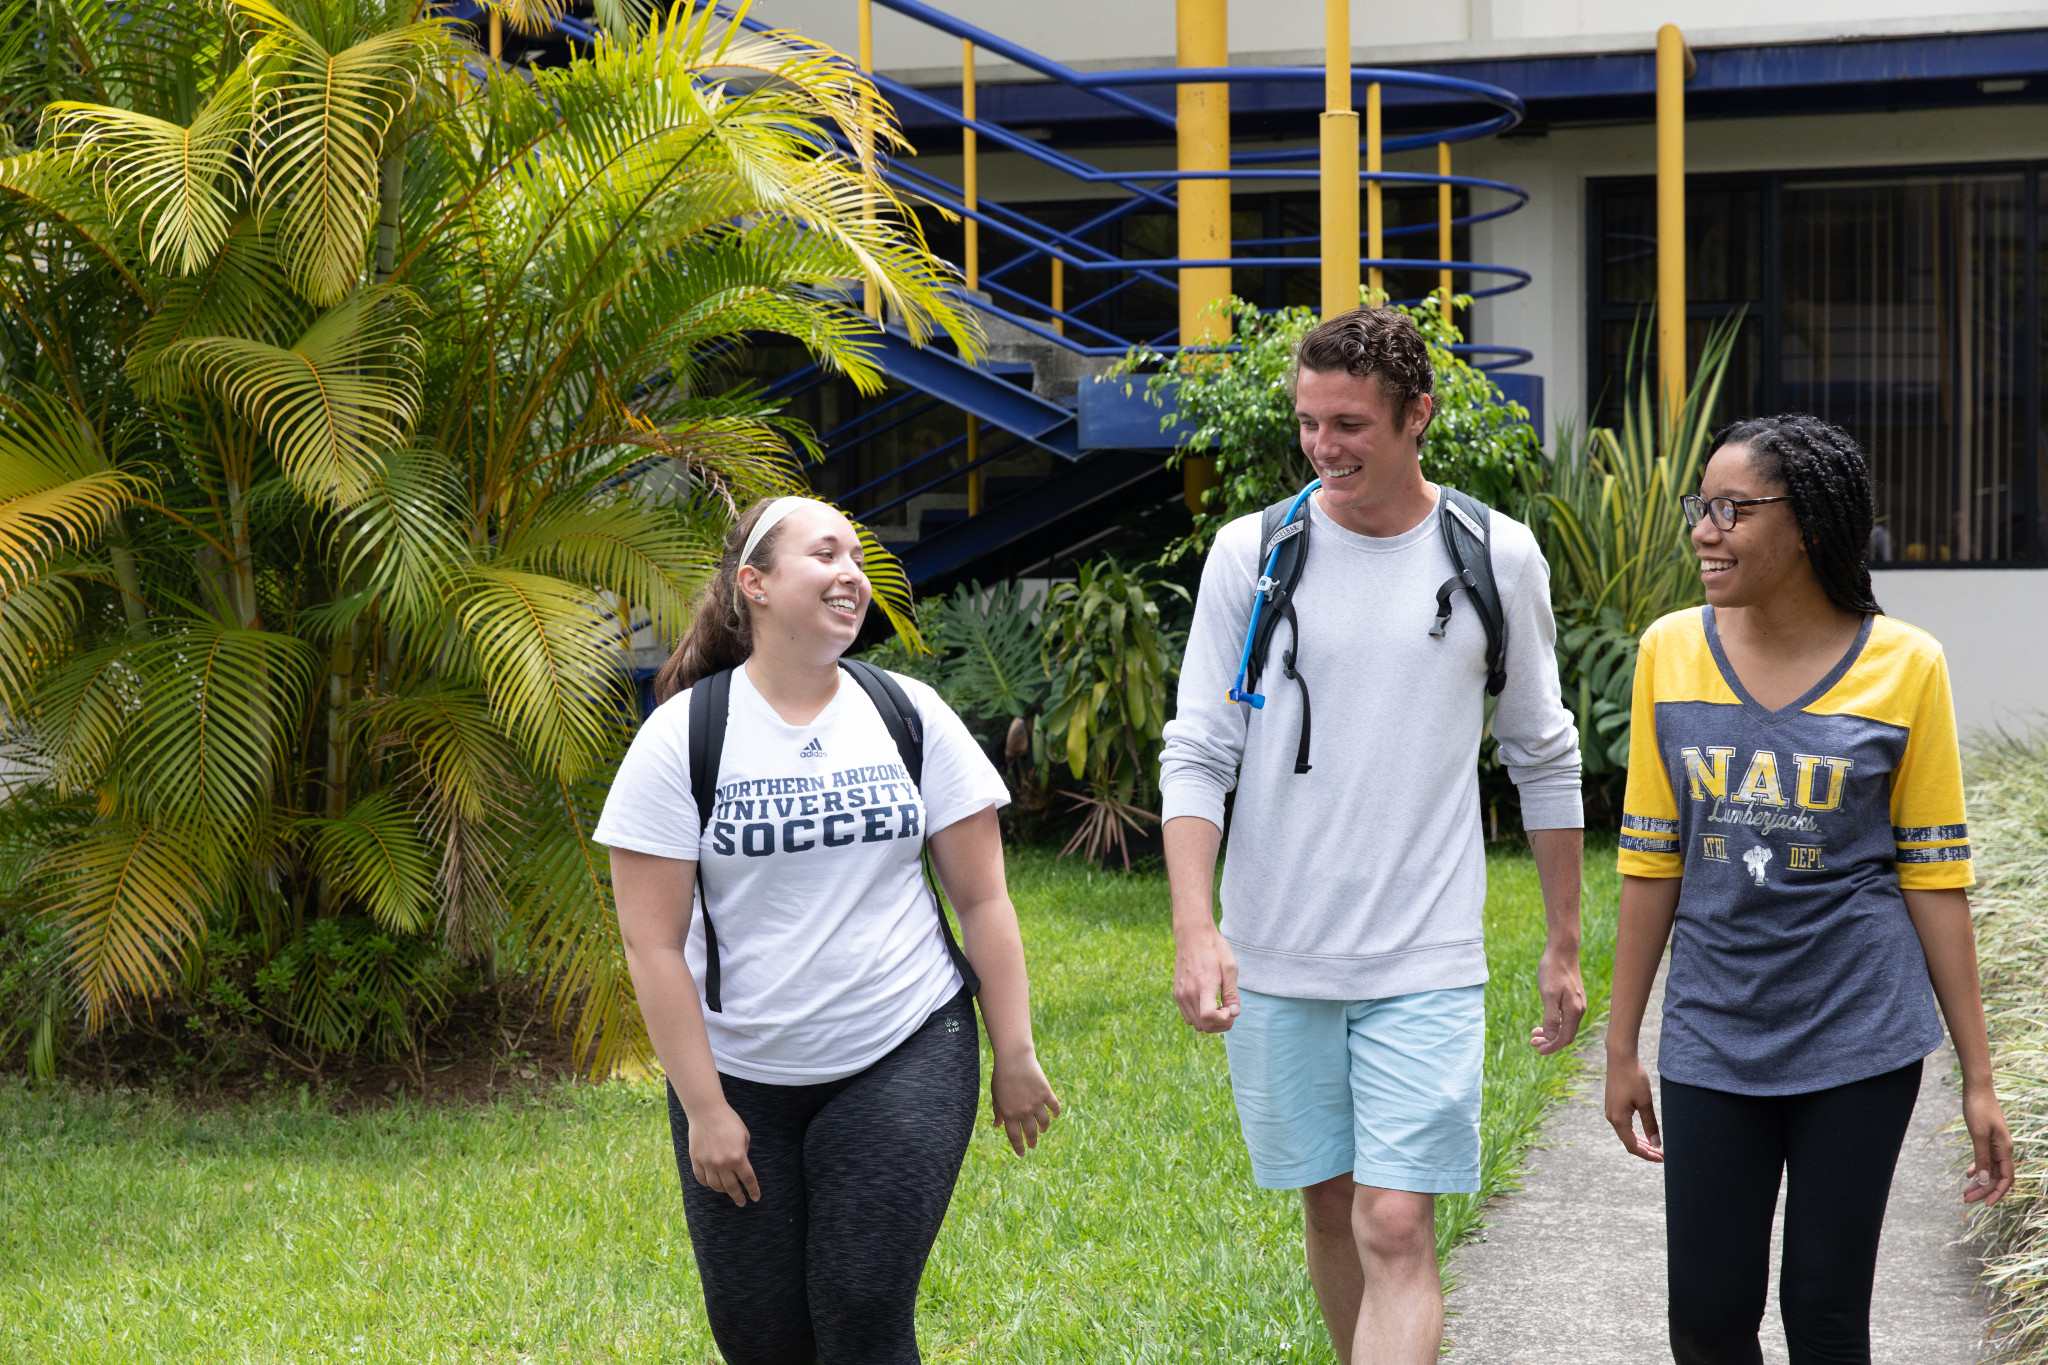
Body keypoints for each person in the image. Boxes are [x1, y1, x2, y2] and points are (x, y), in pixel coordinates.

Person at [1160, 306, 1587, 1365]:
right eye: (1307, 422)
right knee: (1328, 1206)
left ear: (1416, 417)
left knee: (1394, 1221)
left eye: (1347, 423)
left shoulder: (1495, 553)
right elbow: (1198, 749)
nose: (1322, 446)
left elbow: (1541, 751)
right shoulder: (1251, 553)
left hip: (1423, 952)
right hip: (1276, 948)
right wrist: (1194, 927)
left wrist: (1562, 942)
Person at [596, 496, 1061, 1365]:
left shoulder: (908, 713)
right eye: (825, 554)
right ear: (756, 585)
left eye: (858, 555)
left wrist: (1015, 1048)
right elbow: (650, 944)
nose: (853, 573)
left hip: (905, 1041)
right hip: (742, 1077)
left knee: (861, 1303)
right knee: (760, 1335)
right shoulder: (682, 739)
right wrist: (706, 1108)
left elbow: (984, 901)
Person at [1604, 414, 2017, 1365]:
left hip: (1858, 1036)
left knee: (1825, 1316)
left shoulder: (1905, 665)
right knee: (1706, 1323)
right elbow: (1652, 855)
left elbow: (1934, 875)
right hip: (1713, 1030)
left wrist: (1980, 1079)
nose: (1706, 530)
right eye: (1699, 508)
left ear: (1811, 526)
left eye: (1732, 509)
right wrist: (1623, 1044)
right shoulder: (1670, 651)